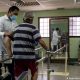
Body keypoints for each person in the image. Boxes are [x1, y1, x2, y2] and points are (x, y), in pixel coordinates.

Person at [8, 12, 48, 80]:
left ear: (23, 19)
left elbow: (7, 40)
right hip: (29, 57)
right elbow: (40, 41)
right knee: (34, 71)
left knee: (20, 75)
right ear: (32, 19)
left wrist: (10, 53)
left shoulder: (16, 28)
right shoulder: (33, 27)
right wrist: (48, 49)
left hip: (17, 57)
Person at [0, 6, 19, 80]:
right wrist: (5, 33)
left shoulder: (14, 22)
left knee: (12, 72)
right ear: (10, 11)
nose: (15, 16)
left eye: (17, 15)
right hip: (2, 50)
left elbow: (16, 32)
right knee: (1, 72)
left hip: (11, 51)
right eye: (15, 14)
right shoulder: (1, 20)